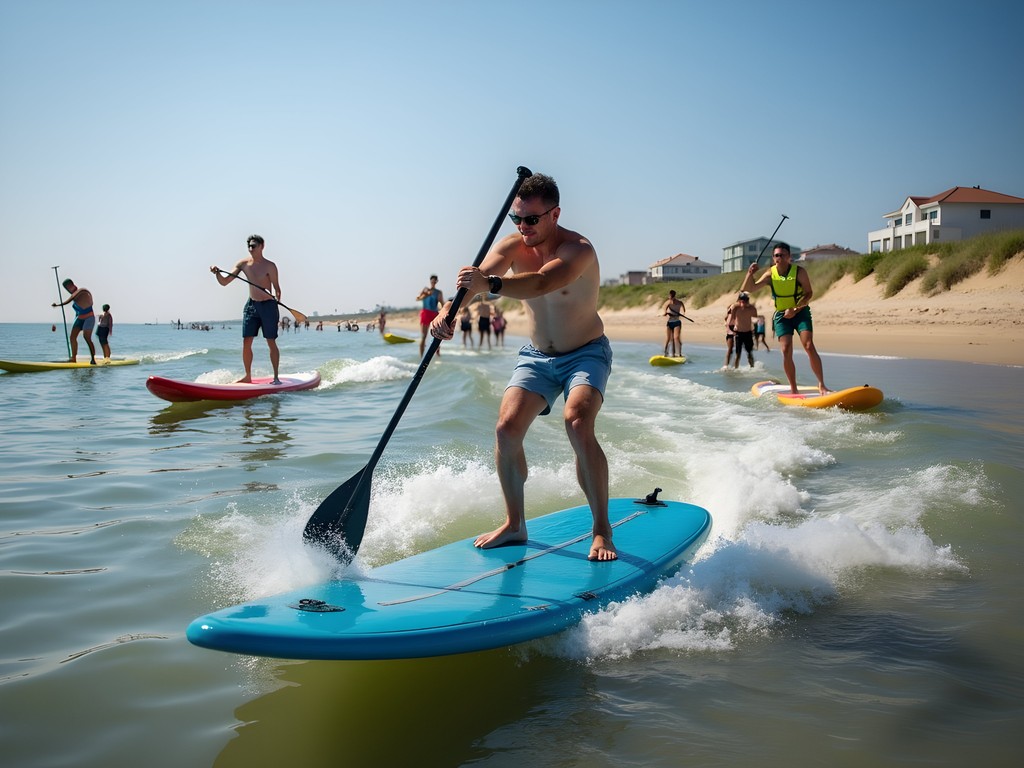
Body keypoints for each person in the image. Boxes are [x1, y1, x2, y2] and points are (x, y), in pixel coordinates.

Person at [430, 172, 616, 561]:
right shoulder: (513, 244)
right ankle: (515, 524)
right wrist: (449, 310)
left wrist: (491, 285)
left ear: (555, 213)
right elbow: (474, 283)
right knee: (506, 428)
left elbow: (542, 283)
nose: (523, 227)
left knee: (577, 422)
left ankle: (601, 529)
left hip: (585, 352)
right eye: (517, 218)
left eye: (531, 219)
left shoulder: (578, 249)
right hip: (536, 356)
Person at [741, 242, 829, 394]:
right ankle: (794, 389)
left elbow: (809, 293)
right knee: (786, 349)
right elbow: (748, 289)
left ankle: (822, 384)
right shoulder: (770, 274)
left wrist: (795, 309)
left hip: (800, 312)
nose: (779, 258)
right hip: (782, 315)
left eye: (782, 255)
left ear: (789, 257)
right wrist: (750, 273)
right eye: (776, 255)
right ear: (773, 258)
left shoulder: (799, 272)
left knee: (808, 345)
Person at [210, 234, 282, 384]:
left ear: (262, 246)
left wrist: (276, 300)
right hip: (251, 306)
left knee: (271, 342)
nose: (250, 249)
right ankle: (248, 376)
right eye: (249, 246)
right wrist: (217, 273)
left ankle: (276, 378)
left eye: (253, 246)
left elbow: (277, 289)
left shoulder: (270, 266)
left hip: (268, 306)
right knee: (246, 341)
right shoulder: (243, 264)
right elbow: (225, 282)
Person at [52, 278, 96, 364]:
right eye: (67, 289)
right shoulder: (74, 299)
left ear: (73, 285)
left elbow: (71, 298)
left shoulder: (82, 290)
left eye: (69, 287)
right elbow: (77, 310)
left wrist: (58, 305)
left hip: (89, 319)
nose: (68, 290)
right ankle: (73, 358)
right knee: (72, 337)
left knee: (87, 337)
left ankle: (93, 359)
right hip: (80, 319)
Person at [416, 274, 444, 356]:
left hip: (434, 314)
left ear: (437, 282)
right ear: (430, 281)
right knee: (424, 336)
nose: (433, 282)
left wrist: (444, 313)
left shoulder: (438, 292)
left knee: (437, 336)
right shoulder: (425, 290)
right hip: (425, 313)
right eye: (432, 281)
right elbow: (418, 298)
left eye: (435, 281)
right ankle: (421, 357)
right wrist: (424, 294)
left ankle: (438, 355)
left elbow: (442, 303)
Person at [730, 292, 758, 368]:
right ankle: (735, 369)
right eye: (742, 301)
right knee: (738, 353)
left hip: (748, 333)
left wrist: (755, 332)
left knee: (749, 353)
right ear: (739, 301)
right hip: (738, 333)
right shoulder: (735, 308)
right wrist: (733, 331)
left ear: (748, 301)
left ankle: (752, 368)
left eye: (745, 301)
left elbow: (755, 319)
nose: (743, 303)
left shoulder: (752, 308)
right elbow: (731, 321)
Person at [659, 289, 685, 356]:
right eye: (669, 297)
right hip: (670, 322)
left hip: (677, 322)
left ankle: (680, 353)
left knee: (676, 338)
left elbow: (683, 311)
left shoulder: (680, 302)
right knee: (669, 339)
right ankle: (667, 354)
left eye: (671, 298)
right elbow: (664, 309)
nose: (670, 299)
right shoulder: (668, 302)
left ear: (674, 296)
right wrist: (665, 313)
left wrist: (679, 314)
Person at [723, 302, 736, 368]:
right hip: (729, 335)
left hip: (734, 334)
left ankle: (729, 365)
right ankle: (727, 365)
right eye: (732, 307)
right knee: (730, 350)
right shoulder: (728, 316)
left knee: (731, 350)